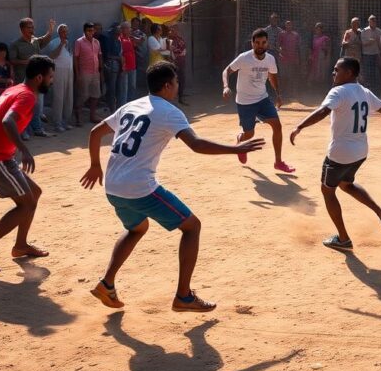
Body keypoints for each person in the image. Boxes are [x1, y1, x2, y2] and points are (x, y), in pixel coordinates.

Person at [82, 61, 264, 312]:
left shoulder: (131, 105)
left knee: (136, 229)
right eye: (176, 83)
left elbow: (94, 132)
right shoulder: (169, 111)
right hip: (139, 188)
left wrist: (95, 165)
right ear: (167, 86)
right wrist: (234, 149)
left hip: (113, 187)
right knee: (192, 226)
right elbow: (196, 145)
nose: (177, 87)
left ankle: (107, 284)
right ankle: (184, 296)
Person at [289, 57, 381, 250]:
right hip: (360, 151)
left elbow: (323, 111)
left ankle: (343, 238)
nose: (333, 73)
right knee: (346, 185)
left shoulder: (338, 91)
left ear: (348, 73)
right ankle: (380, 212)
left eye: (336, 70)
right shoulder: (364, 92)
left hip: (340, 153)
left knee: (327, 191)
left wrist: (300, 126)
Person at [0, 55, 56, 274]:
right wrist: (24, 150)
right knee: (25, 204)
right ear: (39, 77)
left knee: (33, 193)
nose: (52, 80)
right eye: (50, 76)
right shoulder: (26, 96)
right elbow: (7, 121)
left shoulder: (13, 89)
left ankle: (21, 245)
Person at [223, 29, 295, 173]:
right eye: (257, 43)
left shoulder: (270, 59)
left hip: (263, 99)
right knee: (250, 134)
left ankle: (278, 162)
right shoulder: (244, 58)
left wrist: (278, 95)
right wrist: (226, 86)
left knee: (277, 126)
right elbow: (226, 71)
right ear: (252, 43)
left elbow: (272, 77)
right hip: (245, 102)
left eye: (263, 42)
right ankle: (240, 140)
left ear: (267, 43)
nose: (260, 45)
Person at [10, 17, 56, 138]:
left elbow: (45, 40)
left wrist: (50, 30)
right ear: (22, 29)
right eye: (29, 27)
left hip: (37, 81)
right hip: (23, 82)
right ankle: (22, 131)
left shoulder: (35, 41)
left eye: (33, 27)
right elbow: (12, 60)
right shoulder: (16, 44)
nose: (32, 29)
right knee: (24, 108)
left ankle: (38, 129)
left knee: (36, 107)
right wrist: (27, 62)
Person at [73, 22, 103, 126]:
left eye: (93, 30)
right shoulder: (79, 42)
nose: (91, 32)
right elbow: (76, 58)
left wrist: (100, 71)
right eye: (89, 31)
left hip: (95, 72)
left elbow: (99, 56)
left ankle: (92, 116)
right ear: (85, 31)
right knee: (83, 95)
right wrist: (77, 74)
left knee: (95, 95)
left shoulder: (96, 42)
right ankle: (78, 118)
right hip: (84, 73)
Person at [47, 24, 73, 132]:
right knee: (59, 97)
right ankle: (57, 123)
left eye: (66, 31)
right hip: (59, 71)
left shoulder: (69, 42)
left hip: (69, 71)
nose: (65, 33)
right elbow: (52, 56)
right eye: (62, 31)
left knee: (68, 97)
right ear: (59, 32)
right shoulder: (54, 42)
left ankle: (65, 121)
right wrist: (61, 45)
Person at [101, 22, 123, 113]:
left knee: (118, 89)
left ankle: (117, 108)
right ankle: (112, 109)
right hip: (111, 67)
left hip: (118, 66)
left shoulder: (118, 40)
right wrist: (118, 58)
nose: (120, 30)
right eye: (118, 29)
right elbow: (107, 55)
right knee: (112, 89)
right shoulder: (108, 40)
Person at [278, 20, 302, 97]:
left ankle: (291, 93)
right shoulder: (281, 34)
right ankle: (282, 93)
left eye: (290, 25)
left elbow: (298, 47)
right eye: (287, 25)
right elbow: (278, 44)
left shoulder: (296, 35)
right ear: (285, 26)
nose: (288, 26)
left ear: (292, 26)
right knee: (283, 76)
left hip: (292, 59)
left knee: (291, 76)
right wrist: (280, 50)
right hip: (283, 59)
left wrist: (298, 58)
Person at [168, 24, 188, 105]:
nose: (172, 32)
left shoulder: (180, 39)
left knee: (181, 79)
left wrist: (178, 53)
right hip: (172, 63)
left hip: (180, 62)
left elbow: (184, 50)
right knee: (171, 80)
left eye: (174, 30)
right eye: (171, 30)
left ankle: (180, 97)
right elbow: (171, 51)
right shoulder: (168, 40)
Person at [359, 15, 381, 88]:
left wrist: (379, 54)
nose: (373, 22)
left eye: (374, 21)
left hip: (375, 54)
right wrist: (370, 41)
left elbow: (380, 44)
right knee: (367, 71)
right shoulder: (364, 31)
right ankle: (367, 87)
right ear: (369, 22)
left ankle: (374, 87)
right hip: (367, 54)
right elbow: (362, 43)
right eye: (371, 21)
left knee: (374, 71)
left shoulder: (379, 31)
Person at [118, 22, 137, 107]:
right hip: (125, 68)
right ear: (123, 29)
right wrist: (123, 66)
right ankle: (123, 107)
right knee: (123, 89)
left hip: (132, 66)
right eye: (128, 28)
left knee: (132, 87)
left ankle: (131, 106)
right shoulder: (120, 39)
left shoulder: (130, 38)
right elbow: (120, 54)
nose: (130, 29)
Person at [131, 18, 149, 96]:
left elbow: (141, 43)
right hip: (132, 61)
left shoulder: (142, 34)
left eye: (137, 23)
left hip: (141, 60)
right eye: (134, 23)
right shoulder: (128, 33)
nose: (135, 25)